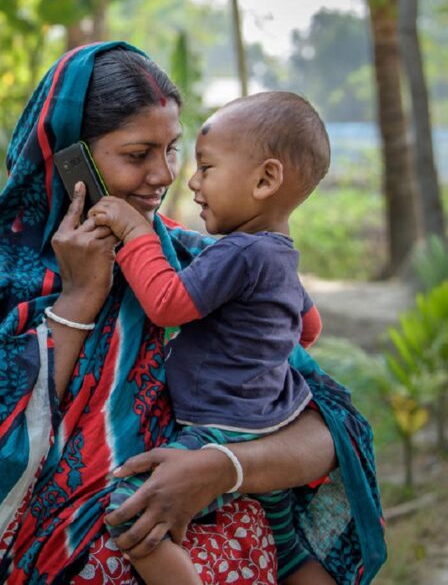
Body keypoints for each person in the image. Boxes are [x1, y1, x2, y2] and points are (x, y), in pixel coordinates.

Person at [0, 42, 385, 585]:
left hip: (196, 526)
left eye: (172, 149)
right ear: (68, 156)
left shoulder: (181, 258)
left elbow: (323, 424)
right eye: (137, 155)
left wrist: (219, 469)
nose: (166, 175)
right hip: (57, 555)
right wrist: (81, 297)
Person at [88, 92, 337, 585]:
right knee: (286, 546)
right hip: (269, 420)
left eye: (206, 167)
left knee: (132, 512)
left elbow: (166, 303)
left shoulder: (239, 253)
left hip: (221, 422)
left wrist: (134, 232)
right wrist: (254, 355)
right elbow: (309, 328)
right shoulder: (280, 253)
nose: (193, 182)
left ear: (265, 180)